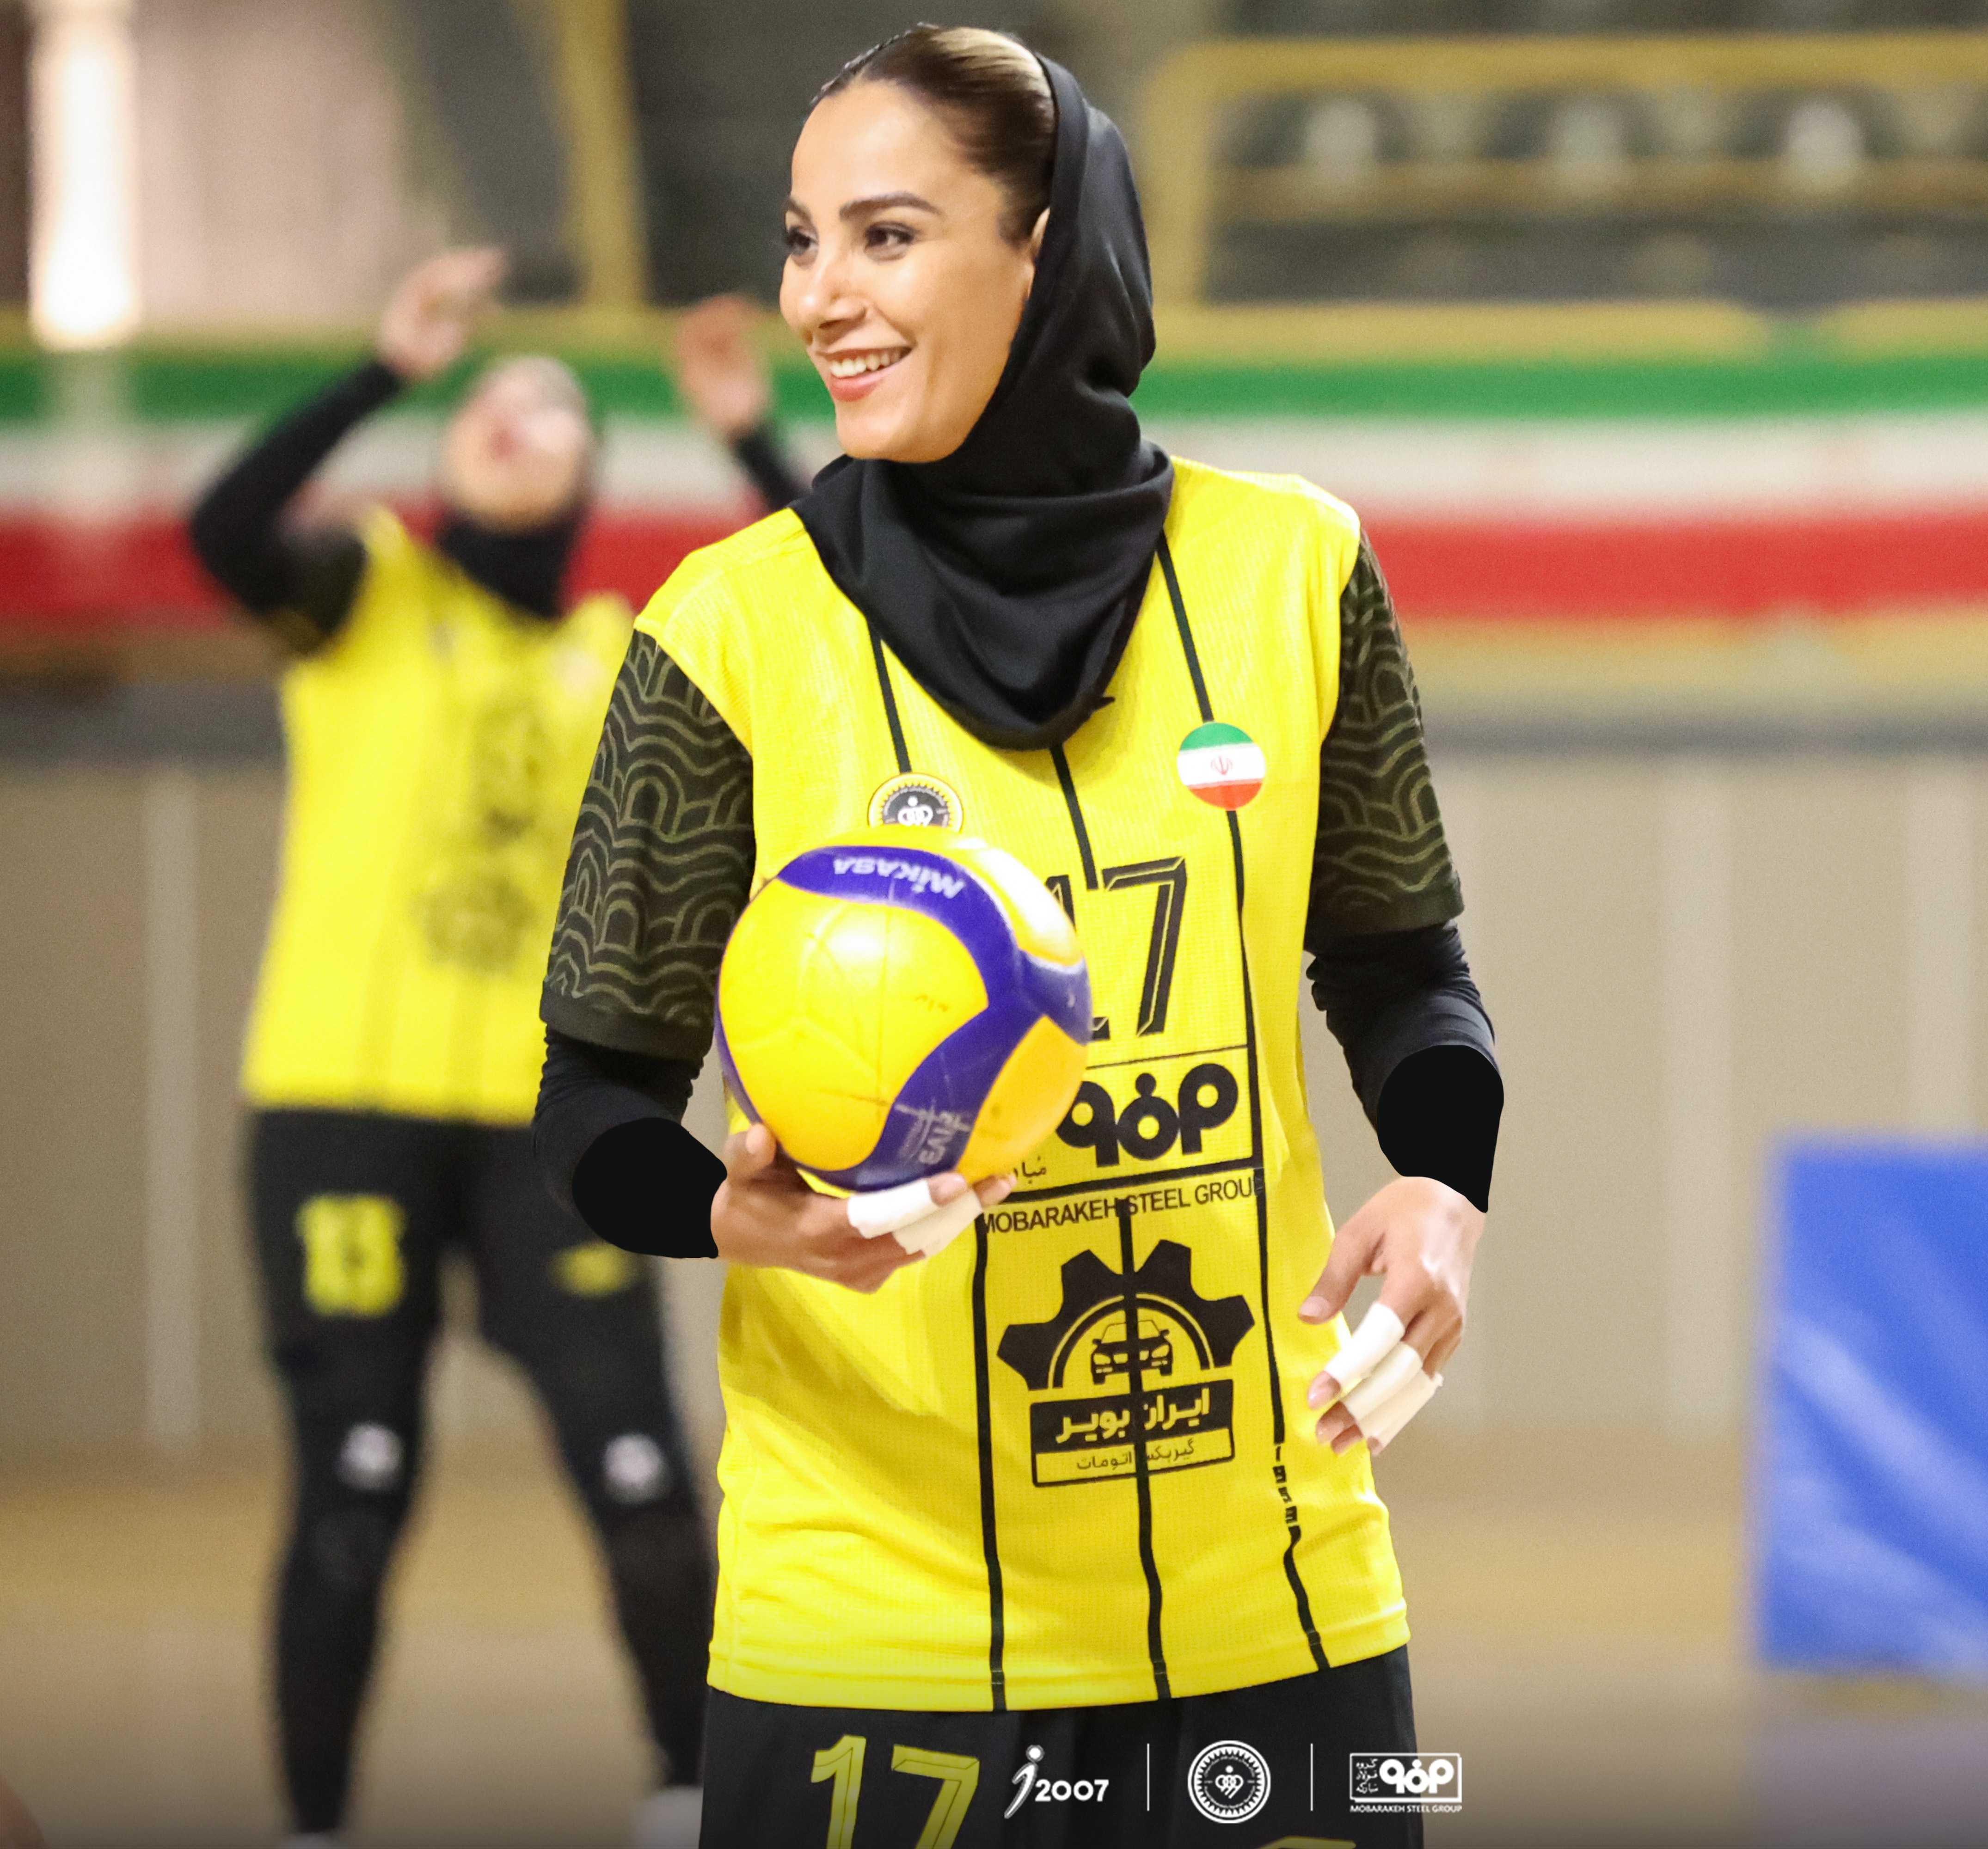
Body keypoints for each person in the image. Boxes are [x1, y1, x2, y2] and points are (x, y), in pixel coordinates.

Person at [534, 27, 1503, 1847]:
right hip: (868, 1639)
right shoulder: (723, 634)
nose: (820, 296)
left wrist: (1446, 1180)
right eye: (802, 239)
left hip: (1272, 1610)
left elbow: (1403, 971)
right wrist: (731, 1215)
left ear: (1047, 251)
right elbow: (588, 1102)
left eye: (886, 236)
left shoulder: (1294, 571)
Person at [187, 251, 809, 1849]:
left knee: (640, 1478)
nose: (515, 415)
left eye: (552, 404)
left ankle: (687, 1794)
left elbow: (842, 608)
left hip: (549, 1134)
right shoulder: (371, 593)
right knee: (355, 1486)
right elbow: (223, 530)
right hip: (340, 1109)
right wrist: (384, 367)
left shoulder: (625, 647)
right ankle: (313, 1822)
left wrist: (748, 434)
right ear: (447, 451)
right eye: (488, 401)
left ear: (591, 470)